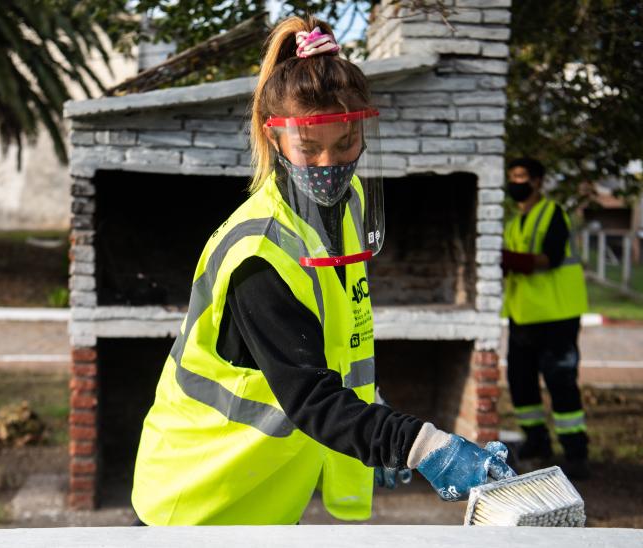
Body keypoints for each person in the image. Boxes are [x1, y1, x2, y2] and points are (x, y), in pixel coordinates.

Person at [130, 15, 514, 526]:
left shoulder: (347, 206)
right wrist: (421, 446)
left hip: (260, 496)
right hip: (195, 500)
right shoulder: (259, 255)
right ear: (277, 140)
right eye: (309, 149)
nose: (330, 163)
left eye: (347, 142)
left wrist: (372, 412)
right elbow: (310, 397)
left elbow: (333, 333)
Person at [501, 157, 590, 480]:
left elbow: (550, 258)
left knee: (561, 382)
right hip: (522, 315)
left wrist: (509, 259)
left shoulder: (553, 214)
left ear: (538, 181)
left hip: (556, 315)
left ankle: (575, 452)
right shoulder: (513, 223)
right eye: (512, 176)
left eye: (522, 176)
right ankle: (536, 442)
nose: (516, 182)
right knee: (521, 383)